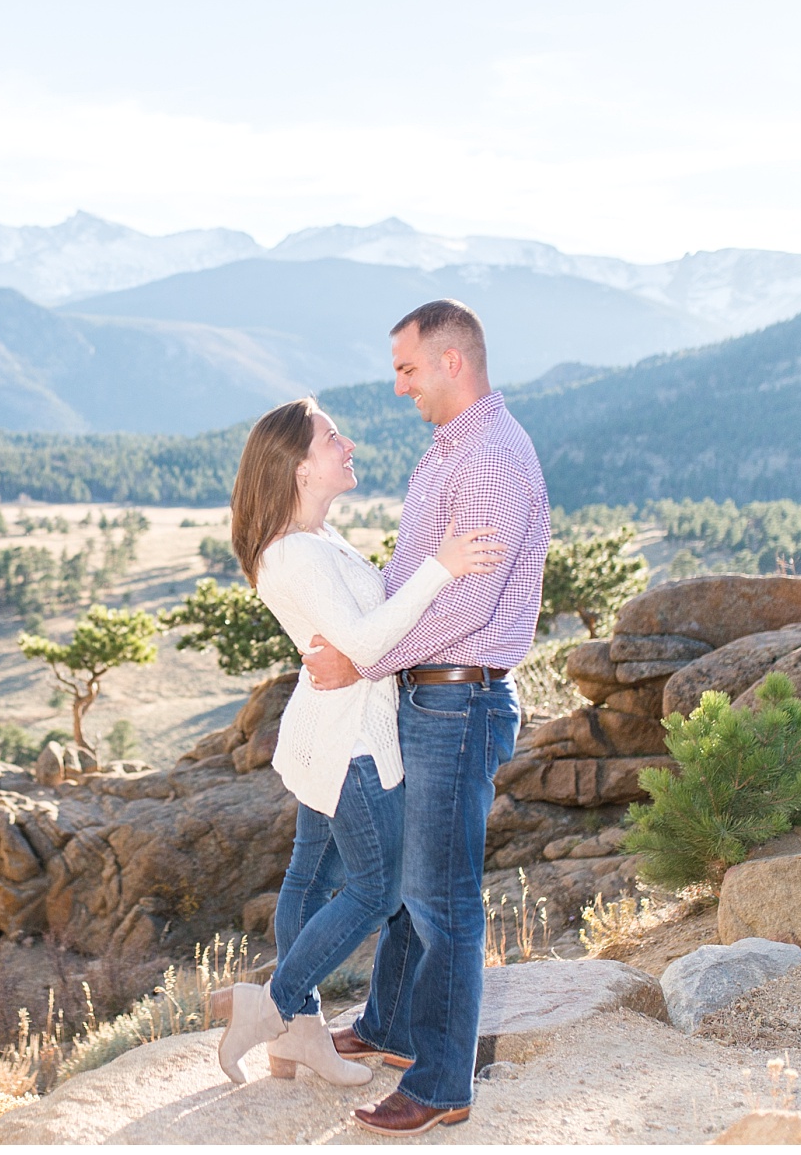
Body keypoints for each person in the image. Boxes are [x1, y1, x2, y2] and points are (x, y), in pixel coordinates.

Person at [302, 299, 549, 1136]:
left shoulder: (487, 460)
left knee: (442, 900)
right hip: (430, 693)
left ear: (452, 361)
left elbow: (468, 604)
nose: (399, 385)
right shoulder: (452, 451)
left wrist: (364, 659)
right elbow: (415, 578)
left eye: (408, 368)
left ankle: (443, 1083)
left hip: (458, 695)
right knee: (411, 882)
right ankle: (389, 1027)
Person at [210, 395, 504, 1087]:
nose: (347, 446)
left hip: (333, 729)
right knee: (376, 890)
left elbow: (359, 639)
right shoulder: (295, 555)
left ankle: (302, 1036)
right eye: (331, 438)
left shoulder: (316, 542)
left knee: (312, 879)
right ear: (299, 467)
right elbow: (370, 640)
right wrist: (444, 565)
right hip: (352, 746)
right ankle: (277, 1006)